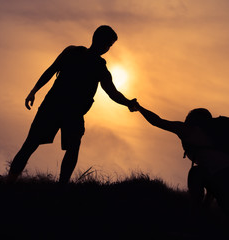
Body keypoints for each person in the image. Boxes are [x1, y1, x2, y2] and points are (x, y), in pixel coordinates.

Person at [8, 25, 136, 184]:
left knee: (62, 146)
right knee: (35, 144)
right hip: (59, 108)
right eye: (109, 44)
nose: (108, 48)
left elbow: (112, 92)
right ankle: (14, 182)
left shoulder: (91, 62)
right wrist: (34, 90)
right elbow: (51, 70)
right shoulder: (82, 57)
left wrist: (128, 103)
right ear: (101, 41)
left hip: (63, 110)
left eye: (110, 45)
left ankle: (53, 186)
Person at [133, 102, 229, 229]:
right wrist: (206, 208)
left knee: (195, 173)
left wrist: (138, 107)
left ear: (192, 120)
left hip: (226, 178)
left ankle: (194, 220)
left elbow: (158, 121)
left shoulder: (192, 131)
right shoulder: (218, 139)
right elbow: (213, 184)